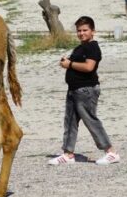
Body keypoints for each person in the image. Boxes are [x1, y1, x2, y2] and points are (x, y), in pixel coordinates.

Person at [49, 16, 120, 165]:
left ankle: (111, 152)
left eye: (85, 30)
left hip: (86, 91)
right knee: (70, 122)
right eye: (79, 30)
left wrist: (69, 64)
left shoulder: (92, 47)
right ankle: (68, 154)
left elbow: (89, 67)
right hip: (73, 90)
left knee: (91, 121)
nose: (81, 33)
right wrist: (67, 62)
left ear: (93, 31)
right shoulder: (81, 47)